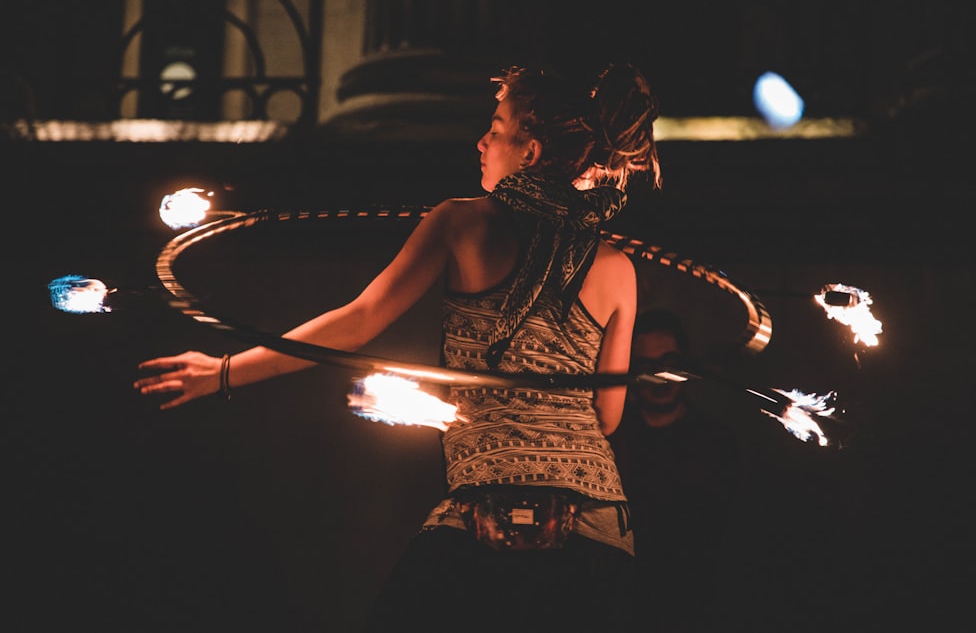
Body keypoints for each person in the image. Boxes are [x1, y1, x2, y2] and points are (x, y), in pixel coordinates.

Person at [134, 62, 662, 631]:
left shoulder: (462, 222)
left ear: (529, 151)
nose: (482, 140)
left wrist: (224, 372)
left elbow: (358, 321)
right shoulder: (618, 267)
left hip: (484, 506)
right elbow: (606, 414)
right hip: (599, 524)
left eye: (497, 124)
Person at [610, 308, 743, 632]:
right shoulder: (610, 443)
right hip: (624, 605)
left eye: (670, 363)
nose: (660, 376)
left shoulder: (717, 443)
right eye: (646, 366)